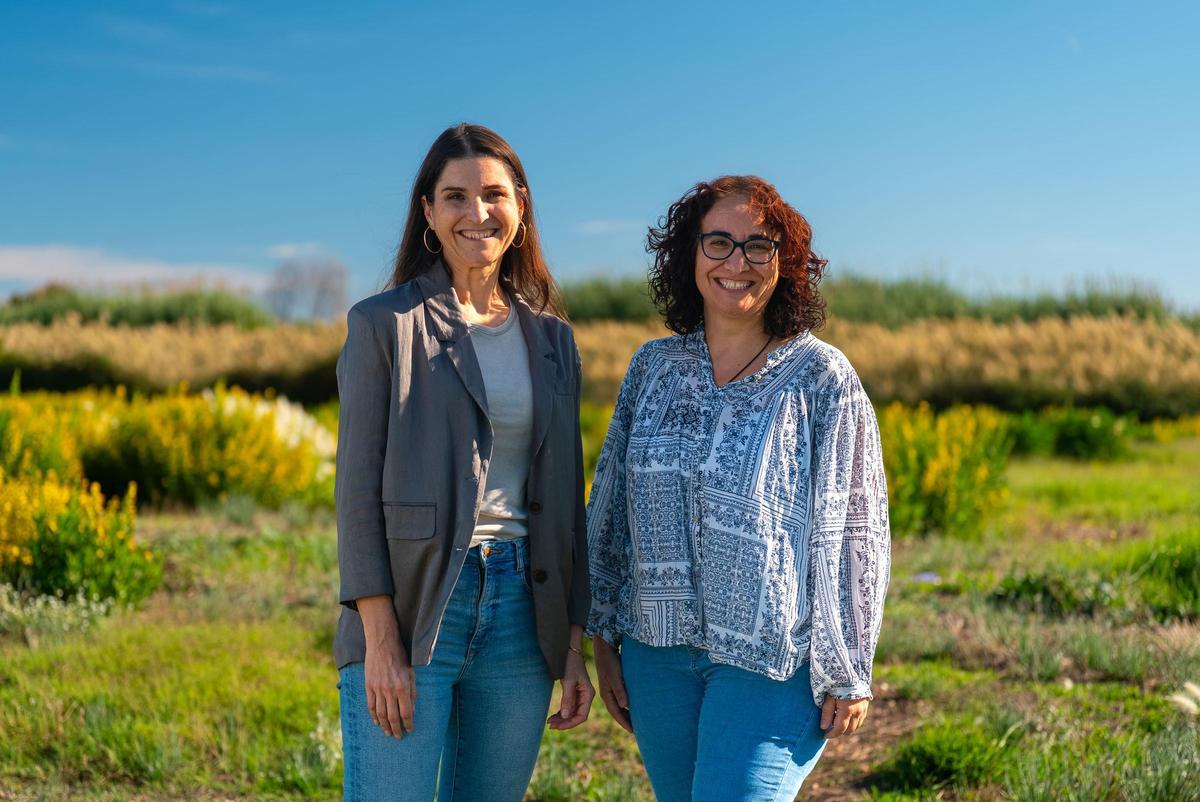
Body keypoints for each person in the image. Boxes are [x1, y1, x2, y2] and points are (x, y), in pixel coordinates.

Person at [587, 175, 890, 802]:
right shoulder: (652, 368)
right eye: (719, 242)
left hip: (771, 664)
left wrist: (848, 665)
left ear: (785, 262)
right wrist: (603, 633)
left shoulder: (822, 377)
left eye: (759, 246)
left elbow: (855, 527)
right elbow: (610, 507)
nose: (737, 262)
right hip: (655, 655)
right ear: (690, 254)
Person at [333, 123, 594, 802]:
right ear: (428, 211)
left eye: (493, 195)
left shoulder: (554, 341)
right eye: (455, 196)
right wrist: (380, 641)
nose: (476, 212)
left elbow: (568, 504)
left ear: (520, 207)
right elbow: (356, 495)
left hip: (522, 616)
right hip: (415, 609)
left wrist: (571, 644)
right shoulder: (384, 325)